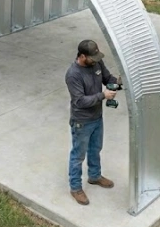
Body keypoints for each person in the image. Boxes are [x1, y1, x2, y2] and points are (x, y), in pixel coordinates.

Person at [65, 39, 121, 205]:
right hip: (81, 122)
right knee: (78, 156)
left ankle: (95, 176)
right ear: (82, 56)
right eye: (92, 57)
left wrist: (119, 82)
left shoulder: (96, 62)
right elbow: (79, 101)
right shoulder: (73, 74)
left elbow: (107, 77)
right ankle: (75, 188)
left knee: (96, 149)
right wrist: (103, 95)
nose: (96, 60)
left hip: (97, 117)